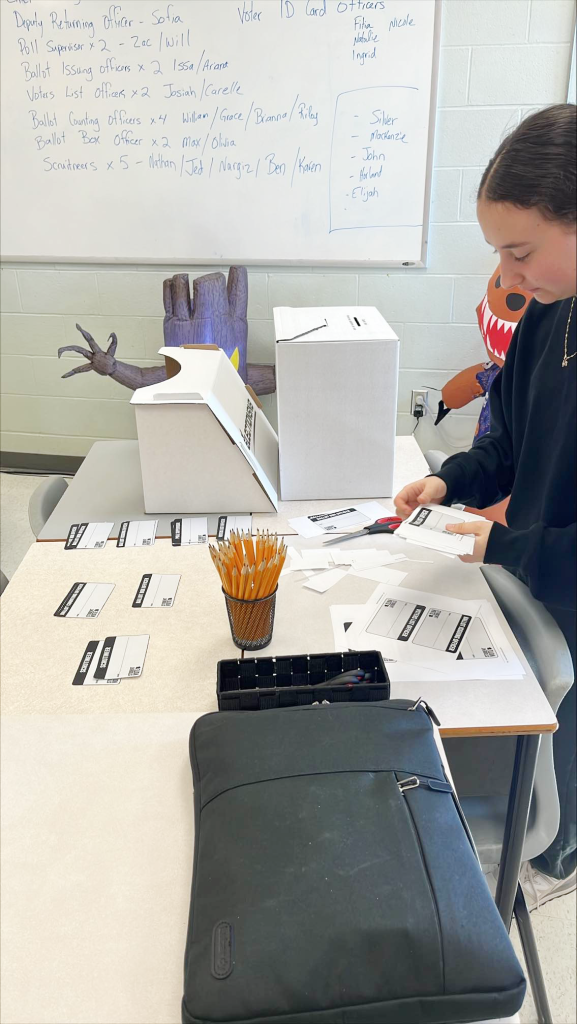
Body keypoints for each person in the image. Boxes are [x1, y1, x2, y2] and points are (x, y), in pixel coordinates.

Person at [395, 103, 576, 908]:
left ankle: (558, 852)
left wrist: (502, 549)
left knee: (560, 758)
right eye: (499, 253)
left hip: (561, 586)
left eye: (520, 250)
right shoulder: (546, 313)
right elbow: (507, 443)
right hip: (537, 580)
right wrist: (448, 481)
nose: (506, 277)